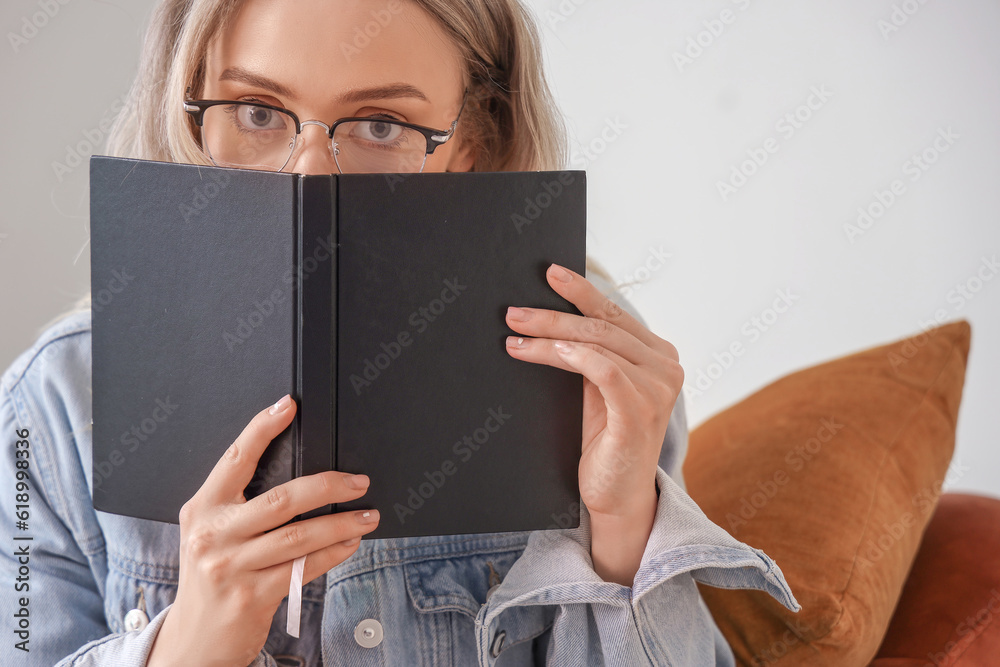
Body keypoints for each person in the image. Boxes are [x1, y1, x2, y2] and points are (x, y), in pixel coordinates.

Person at [0, 0, 801, 665]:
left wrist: (623, 530)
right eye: (255, 112)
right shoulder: (54, 407)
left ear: (474, 142)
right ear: (192, 114)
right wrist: (188, 645)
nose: (311, 174)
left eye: (380, 124)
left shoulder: (588, 378)